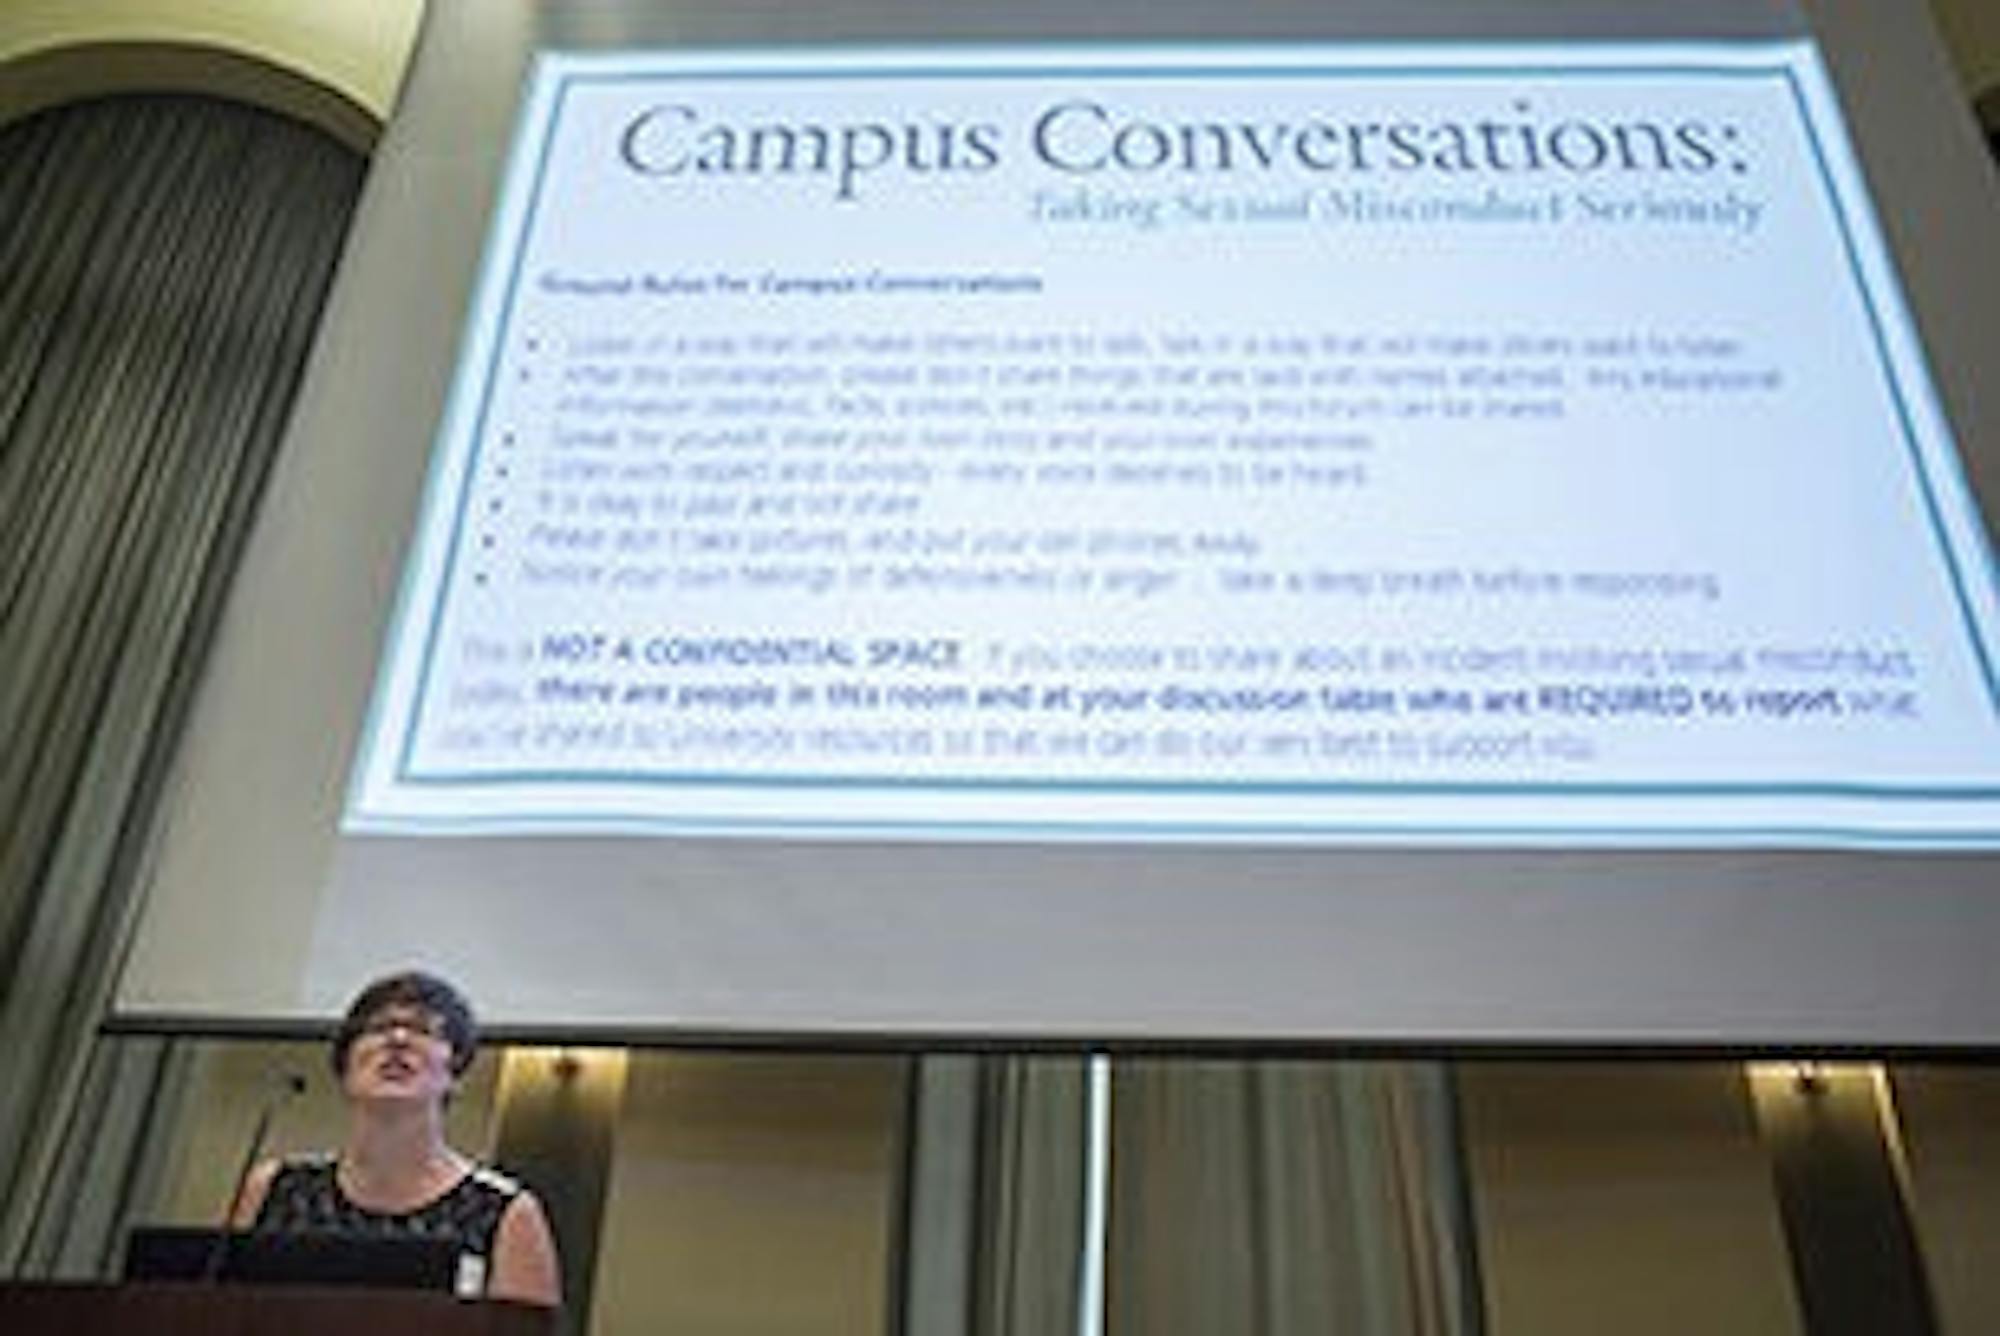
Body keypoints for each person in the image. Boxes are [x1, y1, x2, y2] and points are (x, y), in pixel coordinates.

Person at [230, 970, 562, 1307]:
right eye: (378, 1028)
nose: (399, 1039)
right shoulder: (275, 1188)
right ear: (344, 1070)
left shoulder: (505, 1212)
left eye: (423, 1029)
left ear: (456, 1074)